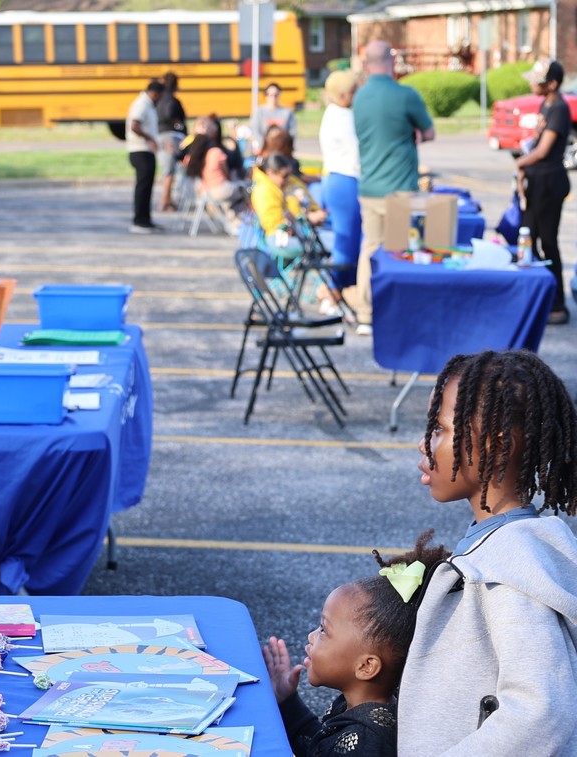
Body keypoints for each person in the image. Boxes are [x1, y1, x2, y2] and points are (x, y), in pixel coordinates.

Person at [398, 350, 577, 755]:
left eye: (440, 429)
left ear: (498, 447)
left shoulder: (512, 575)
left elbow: (541, 716)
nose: (424, 443)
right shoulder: (496, 547)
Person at [264, 531, 449, 757]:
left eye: (324, 630)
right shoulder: (358, 706)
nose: (312, 636)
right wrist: (287, 701)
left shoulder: (367, 744)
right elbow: (319, 747)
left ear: (366, 667)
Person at [351, 40, 434, 336]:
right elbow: (429, 132)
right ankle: (395, 314)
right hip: (399, 187)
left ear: (366, 63)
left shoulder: (359, 98)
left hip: (369, 186)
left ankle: (366, 314)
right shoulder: (405, 95)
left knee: (370, 248)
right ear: (391, 61)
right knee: (398, 251)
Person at [514, 58, 571, 325]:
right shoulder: (545, 104)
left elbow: (544, 150)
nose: (532, 83)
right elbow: (535, 141)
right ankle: (536, 298)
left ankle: (557, 305)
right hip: (536, 184)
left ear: (553, 83)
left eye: (539, 79)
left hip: (550, 183)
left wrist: (520, 162)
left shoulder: (559, 108)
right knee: (527, 238)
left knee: (547, 242)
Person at [317, 70, 362, 306]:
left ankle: (337, 288)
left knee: (346, 238)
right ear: (344, 95)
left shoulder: (332, 113)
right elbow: (358, 154)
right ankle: (333, 291)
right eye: (354, 92)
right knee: (347, 241)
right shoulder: (343, 117)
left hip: (335, 179)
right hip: (347, 180)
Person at [251, 153, 326, 263]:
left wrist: (316, 213)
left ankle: (328, 278)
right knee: (335, 243)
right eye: (284, 175)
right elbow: (275, 223)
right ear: (270, 173)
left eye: (289, 174)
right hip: (279, 237)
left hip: (306, 231)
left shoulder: (291, 182)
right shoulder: (263, 190)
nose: (287, 179)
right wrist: (307, 219)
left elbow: (309, 202)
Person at [183, 116, 248, 230]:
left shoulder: (194, 154)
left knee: (231, 194)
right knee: (242, 190)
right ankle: (237, 223)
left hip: (202, 190)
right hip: (215, 189)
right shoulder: (215, 151)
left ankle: (233, 221)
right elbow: (227, 171)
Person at [126, 79, 165, 233]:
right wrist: (149, 138)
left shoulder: (148, 104)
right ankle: (139, 221)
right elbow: (135, 125)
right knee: (142, 187)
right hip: (140, 150)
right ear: (155, 93)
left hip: (146, 150)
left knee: (147, 187)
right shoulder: (142, 104)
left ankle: (146, 219)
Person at [155, 72, 188, 213]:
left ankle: (167, 200)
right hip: (171, 136)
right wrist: (178, 125)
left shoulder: (158, 100)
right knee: (169, 171)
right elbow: (171, 115)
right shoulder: (172, 101)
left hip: (159, 135)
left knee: (167, 170)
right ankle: (165, 201)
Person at [249, 83, 296, 155]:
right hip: (264, 150)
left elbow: (292, 132)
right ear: (266, 96)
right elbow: (255, 132)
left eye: (276, 95)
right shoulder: (259, 112)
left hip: (283, 150)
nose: (273, 97)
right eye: (270, 95)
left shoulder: (287, 112)